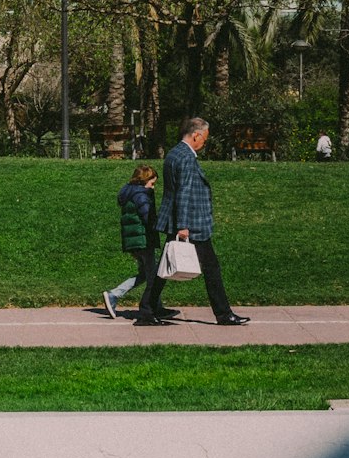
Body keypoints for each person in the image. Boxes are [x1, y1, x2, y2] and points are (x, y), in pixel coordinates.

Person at [136, 116, 250, 327]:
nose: (205, 143)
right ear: (196, 135)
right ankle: (224, 315)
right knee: (211, 268)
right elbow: (185, 192)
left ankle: (147, 309)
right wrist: (183, 226)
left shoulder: (173, 153)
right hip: (191, 223)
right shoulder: (187, 158)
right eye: (204, 138)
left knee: (165, 268)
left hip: (179, 219)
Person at [103, 166, 179, 320]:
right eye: (152, 183)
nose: (153, 187)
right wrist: (166, 227)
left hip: (134, 242)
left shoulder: (129, 192)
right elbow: (148, 218)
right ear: (144, 181)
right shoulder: (141, 195)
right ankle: (149, 308)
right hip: (144, 241)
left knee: (147, 274)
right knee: (154, 278)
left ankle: (116, 295)